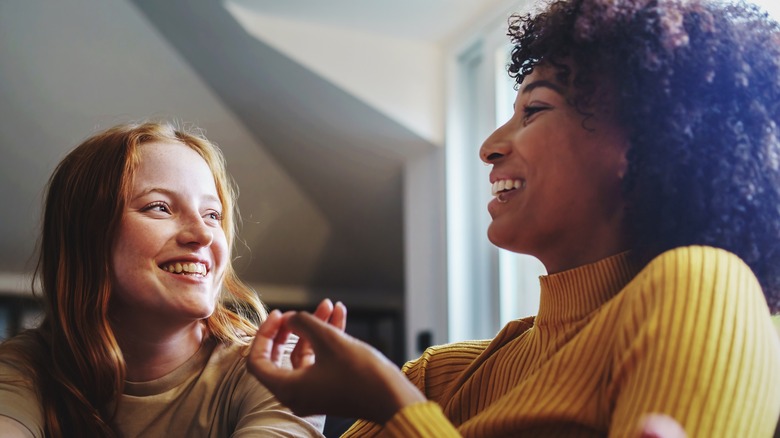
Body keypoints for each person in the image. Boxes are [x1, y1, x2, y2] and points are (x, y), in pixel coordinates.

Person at [247, 0, 780, 436]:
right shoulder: (439, 377)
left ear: (649, 142)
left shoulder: (708, 291)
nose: (489, 147)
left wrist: (392, 405)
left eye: (536, 110)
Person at [0, 121, 341, 437]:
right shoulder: (25, 368)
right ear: (87, 236)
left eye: (212, 215)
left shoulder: (277, 364)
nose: (202, 234)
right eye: (159, 207)